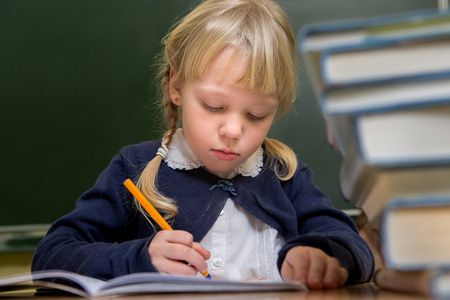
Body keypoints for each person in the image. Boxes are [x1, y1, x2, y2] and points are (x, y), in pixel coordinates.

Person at [32, 0, 374, 289]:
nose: (233, 130)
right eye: (214, 107)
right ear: (176, 87)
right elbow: (51, 255)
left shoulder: (285, 175)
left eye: (257, 114)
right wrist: (139, 258)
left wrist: (323, 256)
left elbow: (353, 247)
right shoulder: (135, 167)